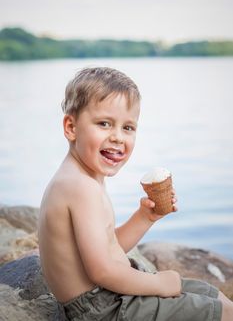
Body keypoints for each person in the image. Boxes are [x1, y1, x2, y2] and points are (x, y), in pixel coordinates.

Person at [38, 67, 233, 321]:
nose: (118, 137)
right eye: (104, 123)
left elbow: (107, 249)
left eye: (128, 127)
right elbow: (102, 271)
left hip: (107, 297)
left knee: (213, 296)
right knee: (223, 313)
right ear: (71, 127)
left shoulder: (83, 177)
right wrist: (159, 285)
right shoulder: (80, 187)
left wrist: (145, 217)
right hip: (101, 308)